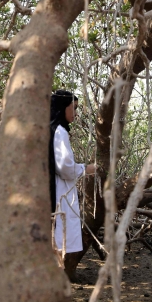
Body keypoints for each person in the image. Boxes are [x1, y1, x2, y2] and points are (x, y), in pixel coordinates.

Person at [50, 90, 96, 258]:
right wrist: (85, 168)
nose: (75, 113)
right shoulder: (59, 131)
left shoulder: (47, 129)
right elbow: (65, 168)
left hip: (48, 191)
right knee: (57, 240)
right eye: (74, 108)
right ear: (63, 108)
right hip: (57, 192)